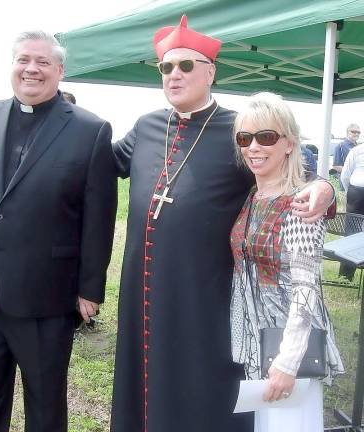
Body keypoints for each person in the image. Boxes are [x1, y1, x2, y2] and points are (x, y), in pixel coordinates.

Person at [110, 15, 334, 432]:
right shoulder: (145, 127)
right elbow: (98, 166)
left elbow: (290, 171)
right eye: (166, 67)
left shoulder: (240, 130)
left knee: (200, 387)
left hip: (205, 292)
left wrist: (325, 188)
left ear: (210, 71)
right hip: (143, 288)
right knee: (144, 380)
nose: (174, 75)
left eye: (186, 66)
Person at [0, 30, 117, 432]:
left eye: (43, 62)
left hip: (47, 296)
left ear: (60, 70)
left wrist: (91, 287)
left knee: (46, 405)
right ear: (13, 65)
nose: (32, 69)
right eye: (23, 60)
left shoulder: (91, 130)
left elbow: (99, 217)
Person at [230, 92, 344, 432]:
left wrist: (289, 361)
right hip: (257, 345)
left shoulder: (301, 204)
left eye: (266, 137)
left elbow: (306, 290)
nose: (253, 147)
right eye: (245, 138)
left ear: (289, 144)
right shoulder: (254, 195)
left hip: (289, 352)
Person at [339, 142, 364, 280]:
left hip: (356, 190)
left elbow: (345, 175)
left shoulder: (356, 150)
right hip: (356, 190)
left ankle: (346, 274)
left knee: (351, 232)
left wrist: (349, 192)